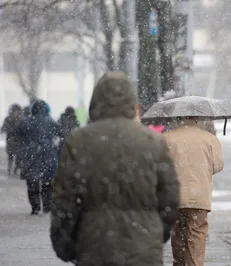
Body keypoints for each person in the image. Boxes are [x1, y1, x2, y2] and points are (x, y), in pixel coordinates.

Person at [51, 72, 180, 266]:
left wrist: (64, 243)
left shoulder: (79, 141)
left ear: (96, 101)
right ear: (131, 102)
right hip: (144, 247)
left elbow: (65, 198)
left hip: (94, 244)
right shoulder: (152, 141)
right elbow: (170, 197)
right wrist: (156, 230)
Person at [164, 116, 224, 266]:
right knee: (197, 234)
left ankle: (179, 263)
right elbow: (218, 165)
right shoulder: (209, 138)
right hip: (199, 196)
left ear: (178, 118)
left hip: (175, 196)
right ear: (198, 119)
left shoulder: (167, 138)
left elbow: (160, 166)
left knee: (177, 234)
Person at [16, 100, 61, 215]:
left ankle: (35, 207)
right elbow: (60, 133)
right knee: (47, 183)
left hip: (31, 154)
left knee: (32, 183)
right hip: (47, 154)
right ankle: (47, 206)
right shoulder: (51, 122)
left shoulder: (26, 122)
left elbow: (17, 133)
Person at [1, 104, 22, 176]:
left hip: (19, 141)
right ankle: (9, 169)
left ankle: (15, 169)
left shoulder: (21, 119)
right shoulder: (7, 119)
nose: (16, 113)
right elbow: (3, 128)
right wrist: (10, 130)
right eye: (14, 111)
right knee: (10, 156)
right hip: (10, 140)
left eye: (17, 111)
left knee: (18, 157)